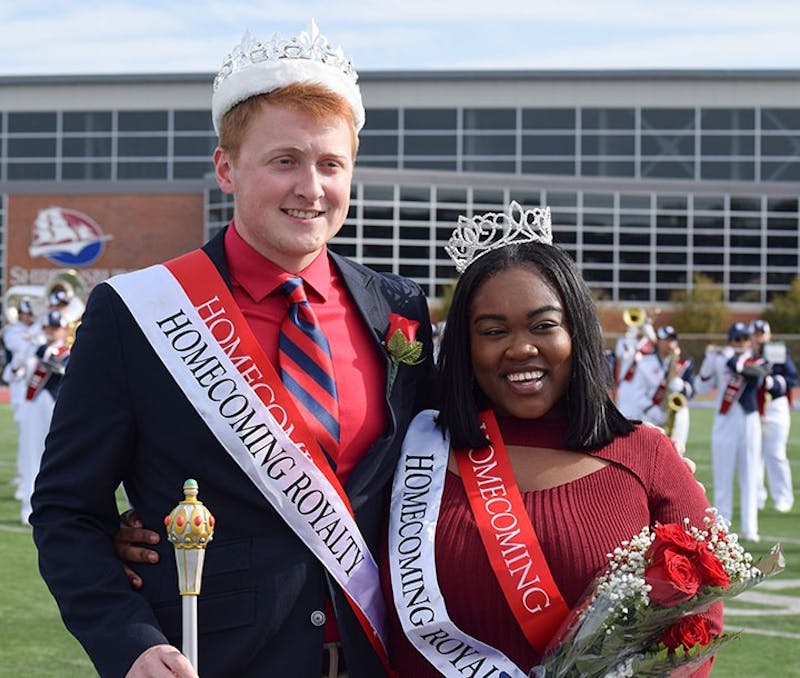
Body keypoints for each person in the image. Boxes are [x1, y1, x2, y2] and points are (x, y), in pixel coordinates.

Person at [31, 21, 433, 678]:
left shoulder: (399, 310)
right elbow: (66, 510)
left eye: (331, 164)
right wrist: (128, 641)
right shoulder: (138, 315)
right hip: (215, 661)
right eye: (285, 161)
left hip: (380, 658)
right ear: (226, 168)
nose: (311, 187)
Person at [384, 203, 721, 677]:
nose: (521, 347)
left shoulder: (647, 455)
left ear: (576, 332)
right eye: (493, 331)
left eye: (544, 326)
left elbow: (696, 631)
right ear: (466, 344)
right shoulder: (415, 448)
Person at [694, 321, 765, 541]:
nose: (742, 343)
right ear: (730, 340)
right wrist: (708, 360)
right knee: (723, 475)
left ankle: (749, 526)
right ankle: (723, 525)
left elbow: (752, 375)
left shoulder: (756, 360)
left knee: (750, 474)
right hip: (725, 421)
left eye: (745, 339)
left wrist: (724, 356)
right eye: (737, 339)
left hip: (748, 421)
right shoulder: (719, 359)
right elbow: (702, 387)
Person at [17, 309, 71, 524]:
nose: (51, 332)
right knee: (31, 453)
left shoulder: (69, 352)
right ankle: (28, 508)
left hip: (56, 405)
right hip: (35, 405)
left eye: (55, 328)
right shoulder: (36, 350)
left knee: (57, 456)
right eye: (48, 328)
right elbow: (16, 373)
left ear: (64, 330)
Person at [750, 319, 796, 513]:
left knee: (776, 453)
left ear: (768, 335)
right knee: (754, 455)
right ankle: (757, 497)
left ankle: (783, 497)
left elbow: (792, 378)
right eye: (756, 334)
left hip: (775, 406)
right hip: (752, 407)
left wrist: (773, 383)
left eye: (763, 334)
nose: (759, 338)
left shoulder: (777, 352)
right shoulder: (747, 354)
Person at [1, 298, 44, 501]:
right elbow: (19, 347)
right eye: (27, 314)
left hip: (36, 383)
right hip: (20, 385)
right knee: (25, 433)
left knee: (36, 436)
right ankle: (24, 477)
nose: (29, 317)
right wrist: (34, 335)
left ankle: (28, 478)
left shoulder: (34, 330)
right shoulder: (12, 331)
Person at [627, 324, 695, 453]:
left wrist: (682, 386)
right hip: (651, 415)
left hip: (677, 414)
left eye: (673, 339)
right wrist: (653, 411)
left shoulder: (684, 363)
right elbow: (638, 394)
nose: (670, 343)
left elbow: (692, 391)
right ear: (658, 341)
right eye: (666, 340)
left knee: (677, 454)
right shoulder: (645, 363)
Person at [613, 317, 655, 418]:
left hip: (644, 386)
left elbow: (661, 353)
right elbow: (618, 365)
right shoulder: (624, 342)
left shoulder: (649, 342)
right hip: (626, 384)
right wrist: (616, 385)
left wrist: (650, 333)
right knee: (624, 415)